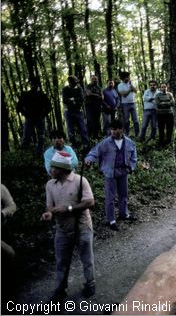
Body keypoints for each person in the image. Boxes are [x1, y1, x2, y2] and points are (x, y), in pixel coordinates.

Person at [41, 151, 96, 302]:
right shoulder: (50, 184)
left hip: (82, 227)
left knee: (87, 259)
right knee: (61, 262)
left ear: (61, 169)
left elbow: (90, 202)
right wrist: (49, 214)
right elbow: (50, 206)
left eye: (53, 167)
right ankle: (60, 290)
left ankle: (90, 284)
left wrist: (69, 208)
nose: (50, 170)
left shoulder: (80, 181)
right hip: (62, 230)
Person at [84, 120, 137, 231]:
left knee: (123, 194)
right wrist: (89, 159)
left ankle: (124, 214)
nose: (113, 131)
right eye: (111, 129)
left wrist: (131, 167)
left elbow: (134, 156)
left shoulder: (129, 142)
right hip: (110, 172)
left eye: (115, 129)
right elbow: (94, 152)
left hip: (123, 171)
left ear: (121, 130)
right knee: (110, 197)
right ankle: (111, 220)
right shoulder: (105, 143)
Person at [16, 86, 51, 154]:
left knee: (41, 136)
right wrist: (25, 114)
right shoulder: (26, 95)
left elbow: (49, 106)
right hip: (29, 118)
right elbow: (18, 106)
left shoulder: (41, 95)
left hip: (39, 118)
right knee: (26, 136)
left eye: (35, 84)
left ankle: (39, 152)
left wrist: (43, 115)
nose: (33, 85)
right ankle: (24, 153)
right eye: (32, 84)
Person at [62, 75, 90, 147]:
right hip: (69, 112)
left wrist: (73, 99)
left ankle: (86, 145)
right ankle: (73, 146)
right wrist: (75, 100)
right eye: (74, 82)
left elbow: (81, 99)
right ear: (70, 82)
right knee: (70, 130)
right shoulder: (65, 89)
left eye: (76, 82)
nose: (76, 83)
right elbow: (65, 100)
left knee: (82, 128)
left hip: (78, 111)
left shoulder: (79, 89)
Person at [117, 71, 139, 137]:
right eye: (126, 77)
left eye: (128, 77)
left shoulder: (131, 83)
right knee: (126, 120)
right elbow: (124, 95)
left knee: (135, 120)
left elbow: (136, 91)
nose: (128, 78)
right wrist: (130, 89)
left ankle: (137, 134)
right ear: (123, 78)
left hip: (133, 103)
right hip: (125, 104)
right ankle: (127, 134)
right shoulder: (120, 85)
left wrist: (131, 85)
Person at [155, 82, 176, 148]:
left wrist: (163, 103)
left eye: (165, 87)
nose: (164, 88)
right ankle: (161, 142)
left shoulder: (170, 94)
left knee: (170, 128)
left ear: (167, 87)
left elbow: (173, 103)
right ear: (160, 88)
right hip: (160, 114)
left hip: (169, 114)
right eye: (162, 87)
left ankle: (168, 142)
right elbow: (158, 104)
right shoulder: (157, 95)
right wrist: (168, 103)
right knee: (161, 128)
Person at [2, 184, 17, 261]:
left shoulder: (1, 187)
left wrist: (3, 213)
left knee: (10, 254)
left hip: (2, 230)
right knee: (9, 253)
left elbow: (12, 206)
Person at [84, 75, 103, 140]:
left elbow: (102, 97)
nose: (95, 80)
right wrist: (97, 95)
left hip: (97, 106)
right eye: (93, 79)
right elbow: (88, 94)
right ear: (91, 80)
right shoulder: (87, 86)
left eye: (95, 79)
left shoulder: (99, 87)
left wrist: (93, 94)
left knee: (97, 121)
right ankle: (89, 136)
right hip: (89, 106)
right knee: (90, 120)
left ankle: (96, 136)